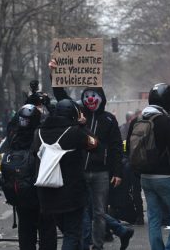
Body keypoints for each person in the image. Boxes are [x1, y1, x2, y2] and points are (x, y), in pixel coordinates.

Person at [50, 59, 123, 250]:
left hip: (101, 173)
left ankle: (97, 246)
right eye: (87, 95)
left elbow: (116, 147)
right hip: (79, 170)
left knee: (99, 212)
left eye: (94, 95)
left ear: (101, 98)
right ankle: (83, 244)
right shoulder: (76, 113)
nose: (90, 99)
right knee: (80, 210)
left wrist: (117, 172)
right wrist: (55, 74)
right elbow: (61, 96)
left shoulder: (109, 119)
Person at [32, 99, 98, 250]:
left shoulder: (39, 132)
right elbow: (94, 144)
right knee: (72, 233)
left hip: (46, 192)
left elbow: (34, 154)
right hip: (71, 193)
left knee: (66, 229)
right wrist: (83, 126)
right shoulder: (75, 131)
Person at [127, 83, 170, 250]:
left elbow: (130, 149)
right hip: (165, 176)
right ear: (166, 101)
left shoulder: (136, 121)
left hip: (144, 177)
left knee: (153, 217)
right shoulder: (164, 120)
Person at [5, 104, 57, 250]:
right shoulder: (42, 134)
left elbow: (11, 124)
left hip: (22, 191)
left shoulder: (14, 136)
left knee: (26, 229)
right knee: (47, 229)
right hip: (42, 190)